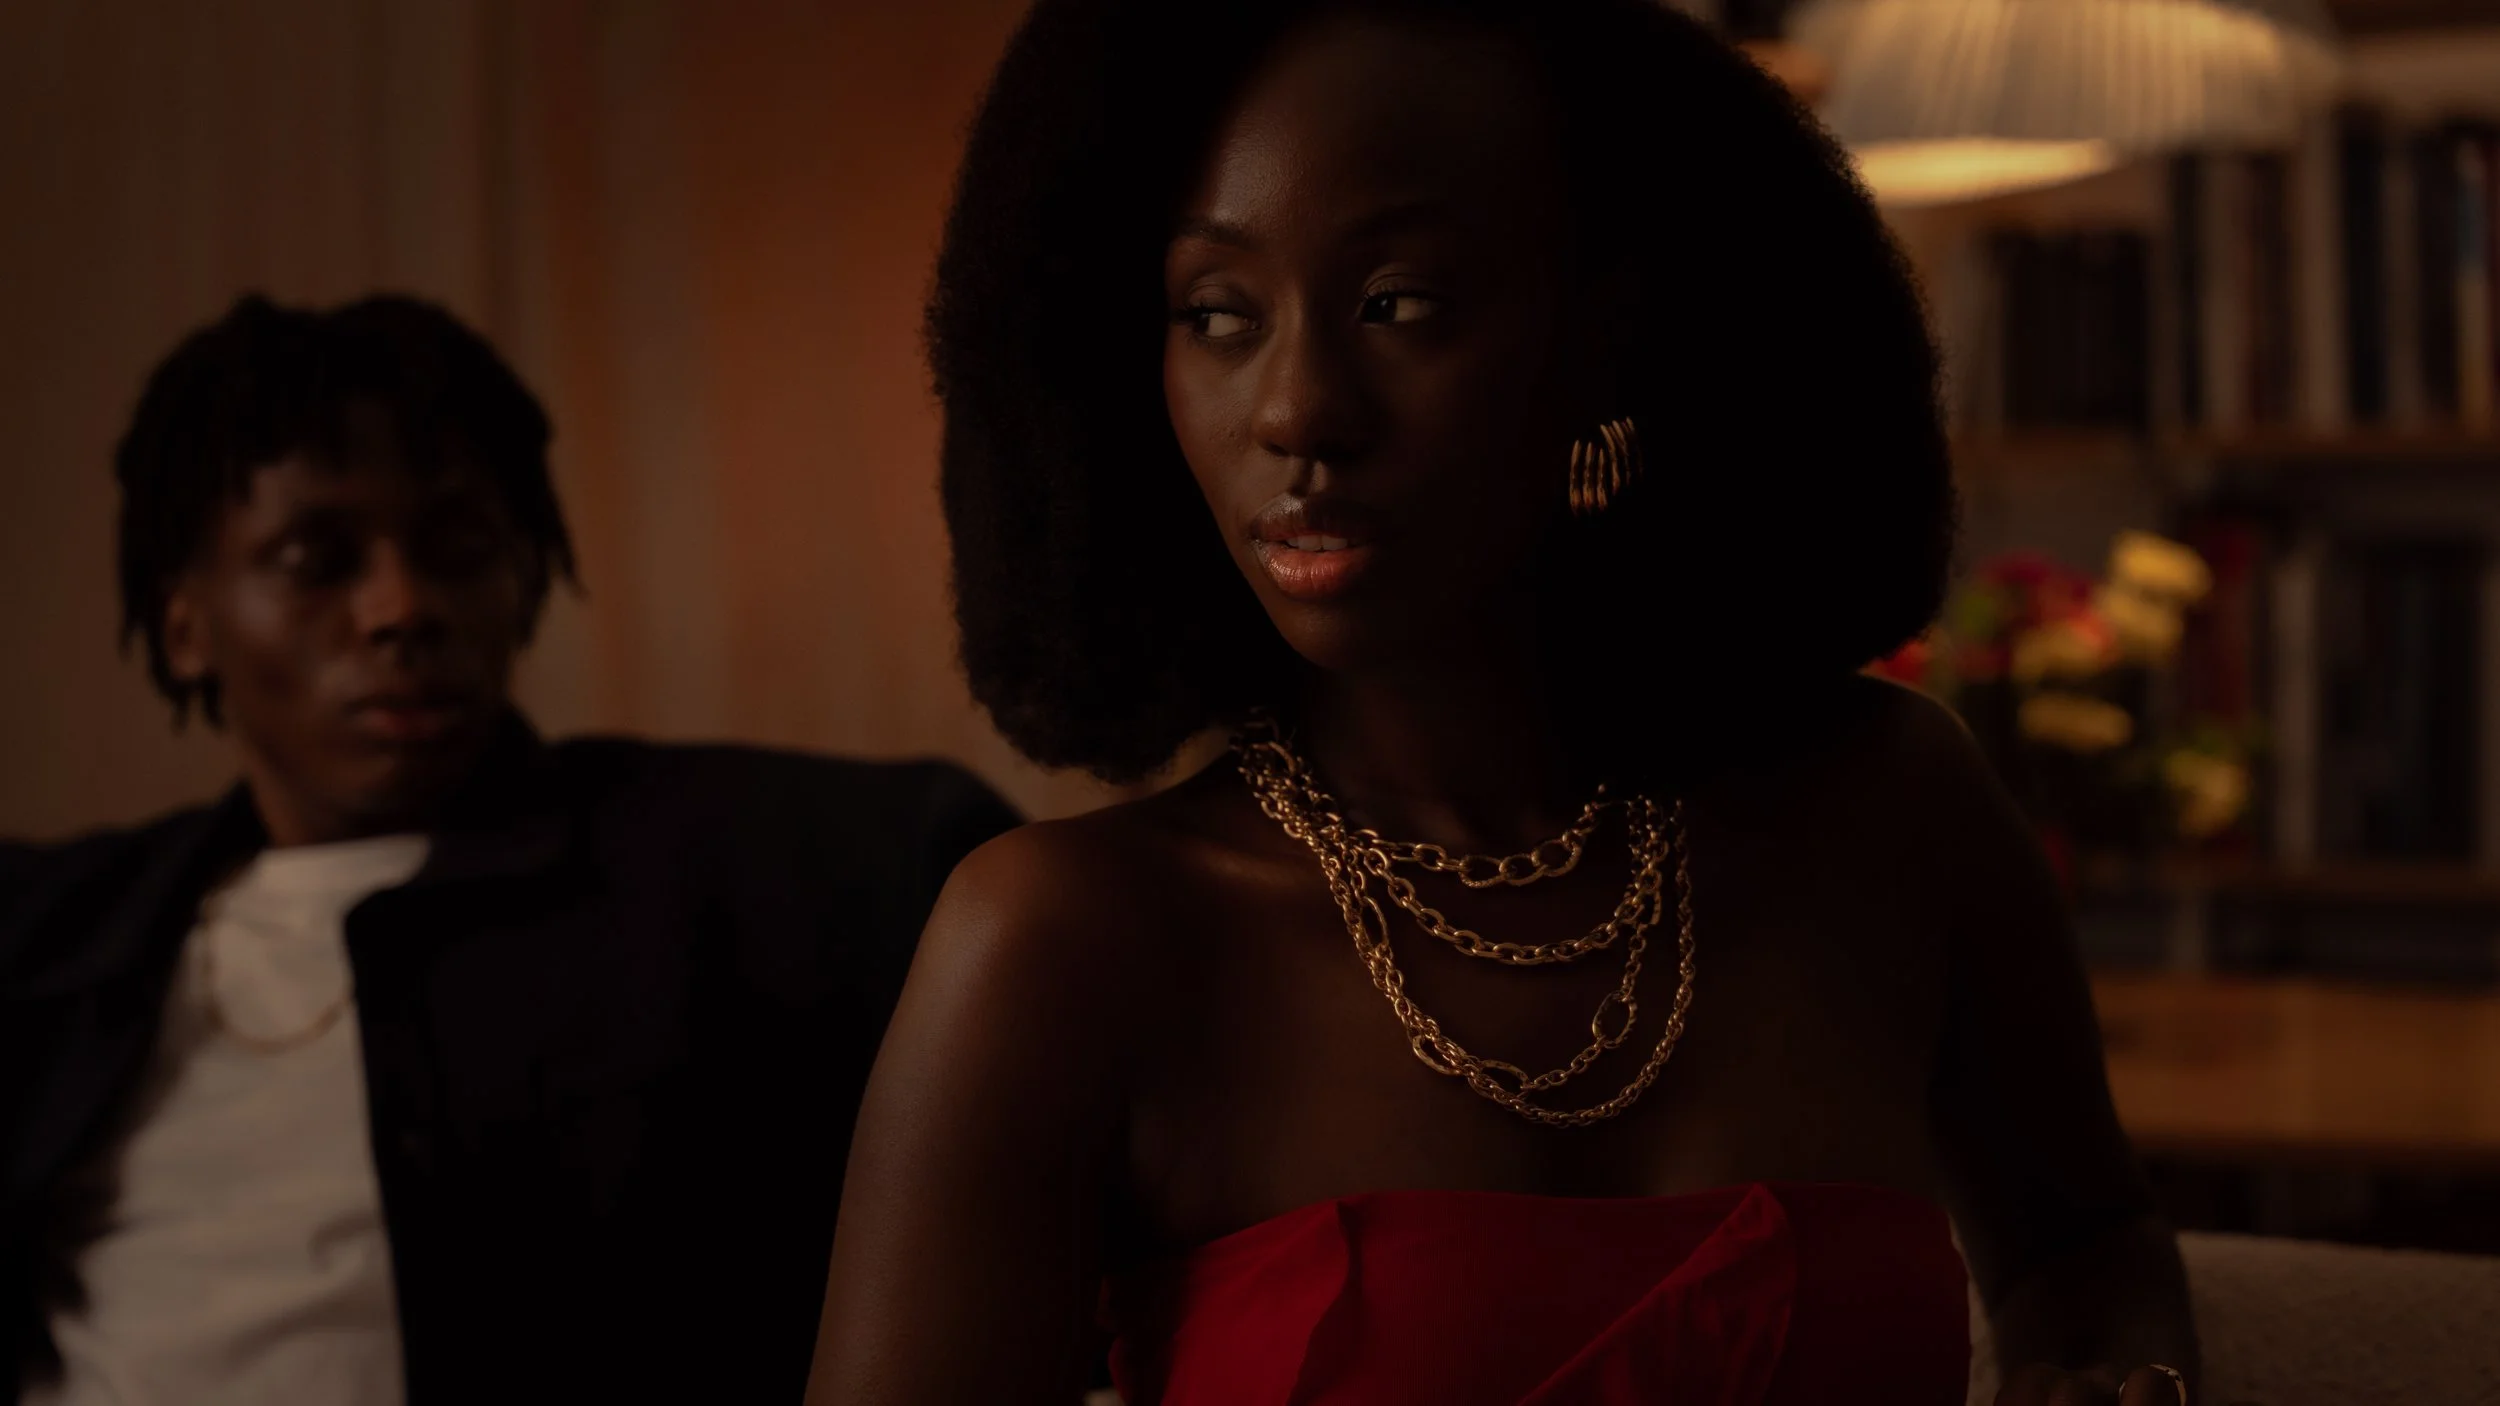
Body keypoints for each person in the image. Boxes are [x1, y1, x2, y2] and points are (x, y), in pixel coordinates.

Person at [809, 2, 2199, 1404]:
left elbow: (2087, 1252)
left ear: (1604, 337)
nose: (1297, 408)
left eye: (1397, 303)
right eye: (1219, 316)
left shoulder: (1895, 809)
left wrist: (2118, 1377)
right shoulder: (1060, 945)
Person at [0, 294, 1018, 1405]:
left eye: (458, 545)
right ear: (186, 624)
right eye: (315, 558)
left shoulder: (799, 865)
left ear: (526, 573)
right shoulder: (51, 937)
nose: (399, 605)